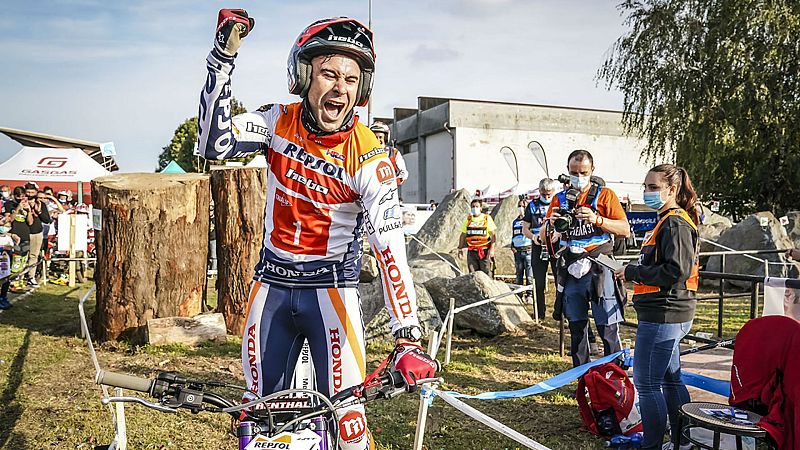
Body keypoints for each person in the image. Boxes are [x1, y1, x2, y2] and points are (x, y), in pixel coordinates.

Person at [197, 11, 436, 449]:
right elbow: (215, 144)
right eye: (328, 74)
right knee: (257, 417)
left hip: (331, 294)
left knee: (347, 420)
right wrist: (222, 58)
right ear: (304, 76)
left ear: (361, 89)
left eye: (350, 78)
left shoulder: (369, 156)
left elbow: (390, 248)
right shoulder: (276, 120)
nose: (339, 88)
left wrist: (407, 337)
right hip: (271, 287)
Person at [613, 164, 700, 450]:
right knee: (671, 380)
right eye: (646, 187)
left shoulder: (674, 222)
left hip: (664, 314)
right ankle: (680, 442)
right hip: (667, 312)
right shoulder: (668, 220)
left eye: (653, 187)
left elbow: (676, 270)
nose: (647, 192)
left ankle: (653, 445)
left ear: (671, 190)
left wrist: (634, 272)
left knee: (648, 385)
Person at [541, 150, 631, 367]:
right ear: (567, 171)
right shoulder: (559, 199)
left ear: (592, 171)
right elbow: (545, 238)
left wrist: (597, 219)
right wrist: (551, 224)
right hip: (572, 266)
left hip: (600, 264)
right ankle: (583, 381)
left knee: (607, 327)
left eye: (583, 172)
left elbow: (625, 229)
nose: (578, 177)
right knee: (577, 328)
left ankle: (614, 380)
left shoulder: (605, 195)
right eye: (574, 172)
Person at [522, 178, 559, 319]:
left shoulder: (559, 204)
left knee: (559, 280)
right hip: (538, 244)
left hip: (556, 244)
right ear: (539, 191)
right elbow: (525, 228)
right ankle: (540, 313)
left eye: (549, 194)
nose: (547, 197)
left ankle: (560, 312)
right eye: (544, 194)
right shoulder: (532, 205)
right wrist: (533, 237)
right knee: (538, 281)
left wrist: (558, 234)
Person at [21, 182, 51, 287]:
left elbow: (47, 220)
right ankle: (18, 276)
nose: (29, 194)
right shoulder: (20, 202)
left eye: (32, 192)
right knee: (21, 255)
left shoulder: (40, 204)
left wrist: (38, 211)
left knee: (34, 255)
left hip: (37, 232)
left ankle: (31, 276)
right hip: (22, 232)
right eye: (28, 192)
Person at [458, 198, 496, 275]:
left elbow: (493, 235)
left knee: (487, 273)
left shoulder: (487, 218)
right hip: (472, 251)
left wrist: (492, 249)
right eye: (473, 206)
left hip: (484, 251)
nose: (475, 208)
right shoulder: (469, 219)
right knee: (473, 274)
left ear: (481, 208)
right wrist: (460, 249)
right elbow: (463, 235)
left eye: (477, 206)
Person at [369, 121, 408, 186]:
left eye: (380, 137)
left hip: (389, 192)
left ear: (386, 138)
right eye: (375, 137)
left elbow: (403, 173)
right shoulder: (365, 153)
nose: (378, 140)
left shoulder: (393, 152)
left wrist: (392, 183)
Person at [511, 198, 534, 300]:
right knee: (519, 275)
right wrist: (512, 246)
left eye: (523, 206)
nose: (521, 208)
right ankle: (519, 295)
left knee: (529, 275)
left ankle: (530, 295)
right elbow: (513, 235)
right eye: (519, 206)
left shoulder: (530, 221)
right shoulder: (515, 221)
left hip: (528, 250)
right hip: (517, 251)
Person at [0, 217, 19, 309]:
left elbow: (11, 249)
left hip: (5, 264)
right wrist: (3, 248)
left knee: (6, 280)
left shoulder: (8, 238)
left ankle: (3, 297)